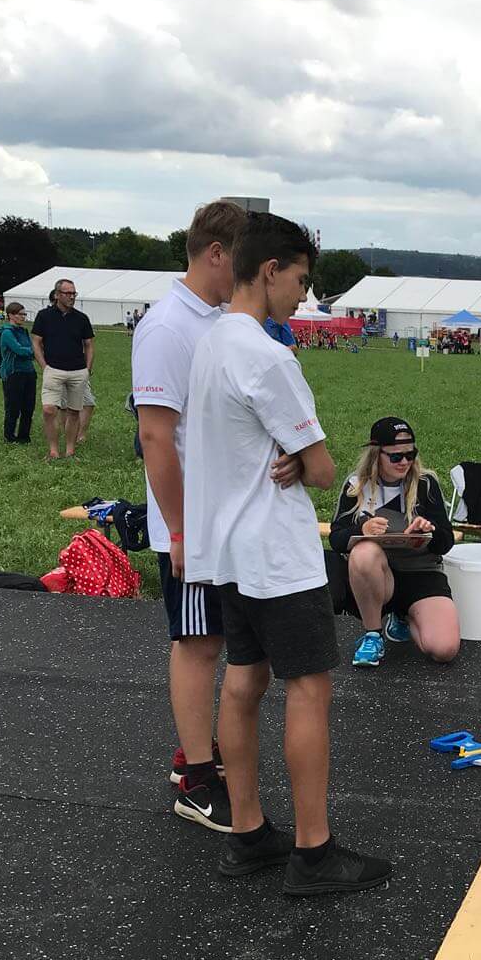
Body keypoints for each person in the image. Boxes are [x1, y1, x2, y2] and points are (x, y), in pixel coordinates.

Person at [183, 212, 390, 895]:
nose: (303, 296)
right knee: (309, 687)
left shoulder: (211, 342)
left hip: (227, 552)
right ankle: (313, 851)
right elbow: (326, 469)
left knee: (244, 680)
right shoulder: (269, 356)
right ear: (269, 270)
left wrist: (293, 459)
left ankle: (247, 833)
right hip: (275, 552)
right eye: (300, 280)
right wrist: (304, 464)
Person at [132, 200, 248, 832]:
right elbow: (156, 437)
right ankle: (197, 779)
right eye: (243, 260)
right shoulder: (167, 327)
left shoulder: (221, 319)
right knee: (197, 643)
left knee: (219, 639)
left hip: (226, 519)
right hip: (192, 525)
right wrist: (178, 529)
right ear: (216, 253)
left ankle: (200, 756)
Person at [330, 417, 459, 669]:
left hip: (421, 573)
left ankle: (404, 615)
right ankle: (373, 633)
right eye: (396, 456)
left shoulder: (425, 483)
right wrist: (362, 529)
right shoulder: (356, 485)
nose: (405, 462)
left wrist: (429, 531)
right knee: (364, 552)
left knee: (444, 649)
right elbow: (336, 538)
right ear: (376, 455)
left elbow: (446, 542)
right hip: (378, 576)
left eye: (411, 455)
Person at [31, 279, 94, 459]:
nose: (71, 297)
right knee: (49, 410)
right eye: (68, 293)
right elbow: (36, 342)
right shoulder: (44, 316)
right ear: (57, 295)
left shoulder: (81, 318)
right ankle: (53, 450)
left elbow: (89, 344)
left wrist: (87, 369)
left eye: (74, 293)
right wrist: (44, 366)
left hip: (77, 371)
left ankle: (70, 450)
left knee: (74, 412)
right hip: (53, 370)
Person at [0, 302, 37, 443]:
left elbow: (30, 348)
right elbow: (19, 350)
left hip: (29, 372)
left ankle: (24, 436)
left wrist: (31, 352)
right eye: (20, 314)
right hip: (14, 373)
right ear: (11, 315)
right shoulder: (7, 333)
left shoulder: (24, 331)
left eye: (24, 314)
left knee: (28, 406)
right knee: (13, 407)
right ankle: (9, 436)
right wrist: (34, 352)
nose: (23, 317)